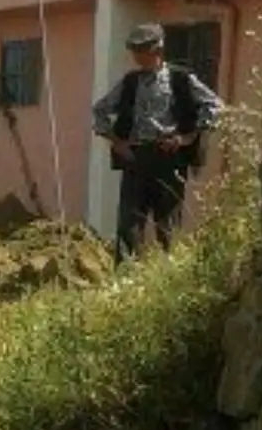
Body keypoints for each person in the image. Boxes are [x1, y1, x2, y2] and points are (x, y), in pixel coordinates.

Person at [92, 23, 223, 262]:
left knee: (168, 224)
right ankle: (125, 278)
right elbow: (100, 110)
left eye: (143, 50)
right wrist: (117, 141)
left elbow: (213, 105)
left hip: (168, 157)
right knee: (129, 222)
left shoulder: (181, 79)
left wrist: (188, 138)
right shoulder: (130, 82)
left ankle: (167, 274)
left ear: (157, 49)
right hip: (136, 157)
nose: (138, 56)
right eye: (135, 51)